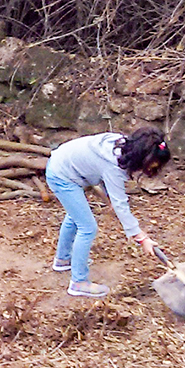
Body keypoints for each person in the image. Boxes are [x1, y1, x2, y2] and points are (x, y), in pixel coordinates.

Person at [43, 127, 170, 298]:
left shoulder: (122, 145)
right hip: (61, 175)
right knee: (87, 227)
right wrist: (141, 237)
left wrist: (110, 198)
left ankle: (63, 260)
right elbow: (120, 204)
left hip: (61, 163)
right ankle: (78, 283)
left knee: (75, 217)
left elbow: (99, 169)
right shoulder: (114, 166)